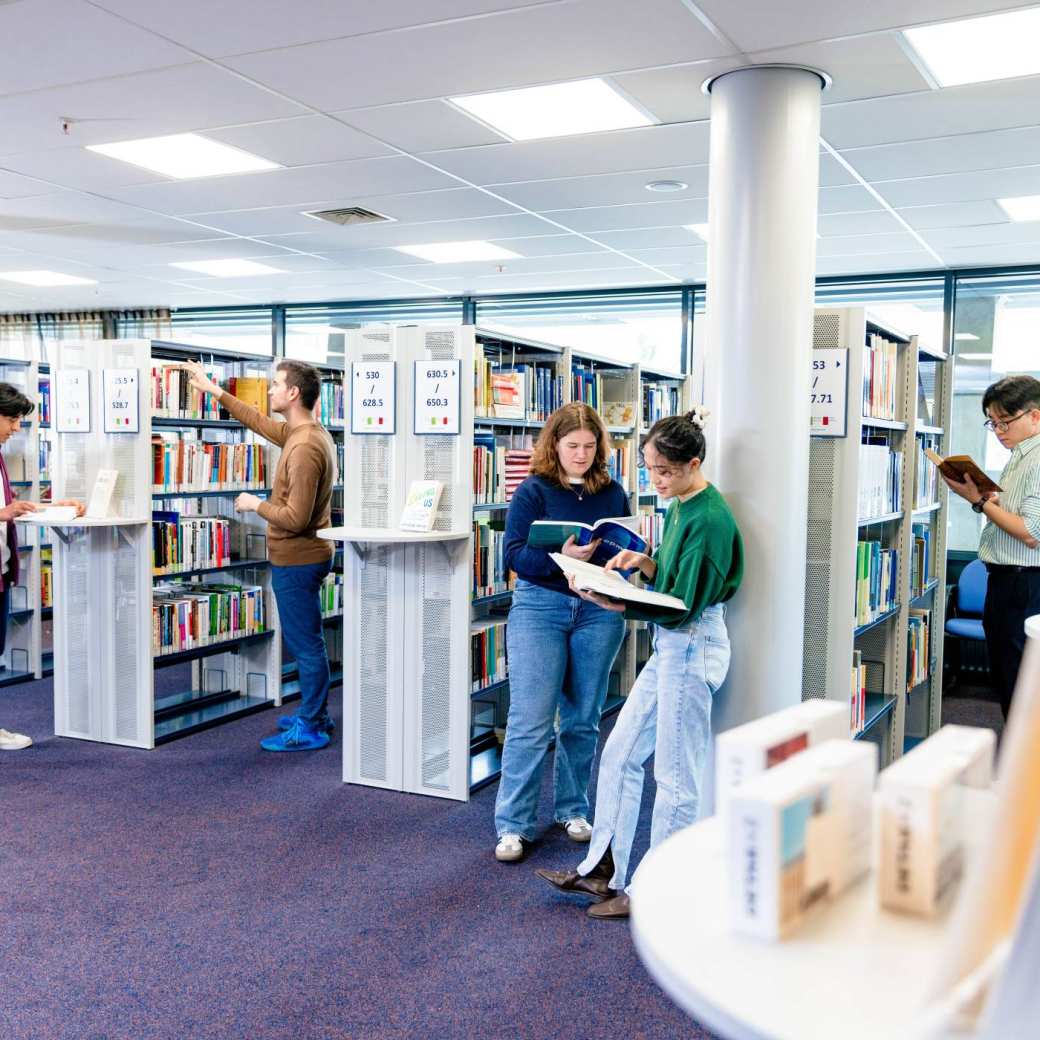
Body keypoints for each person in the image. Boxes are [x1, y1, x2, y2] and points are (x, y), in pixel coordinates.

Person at [537, 408, 742, 919]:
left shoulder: (711, 518)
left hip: (691, 645)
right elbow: (671, 579)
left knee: (675, 778)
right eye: (650, 469)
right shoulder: (679, 506)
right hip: (670, 644)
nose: (657, 480)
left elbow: (684, 605)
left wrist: (619, 602)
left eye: (666, 471)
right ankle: (604, 869)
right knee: (620, 754)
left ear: (694, 464)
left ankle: (655, 889)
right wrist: (645, 563)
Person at [494, 402, 630, 863]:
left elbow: (625, 545)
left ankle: (573, 809)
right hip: (541, 608)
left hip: (599, 608)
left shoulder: (613, 492)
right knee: (530, 720)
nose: (582, 455)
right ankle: (513, 824)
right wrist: (565, 557)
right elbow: (514, 556)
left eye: (590, 447)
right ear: (554, 445)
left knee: (583, 718)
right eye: (573, 446)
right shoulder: (533, 491)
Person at [183, 359, 337, 752]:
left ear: (293, 393)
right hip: (304, 555)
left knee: (305, 645)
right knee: (309, 641)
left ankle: (312, 725)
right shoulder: (306, 433)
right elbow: (258, 421)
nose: (269, 391)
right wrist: (213, 391)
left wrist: (256, 504)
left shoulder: (302, 447)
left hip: (298, 556)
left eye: (275, 385)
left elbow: (296, 517)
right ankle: (314, 712)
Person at [940, 374, 1040, 720]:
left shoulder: (1037, 459)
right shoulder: (1020, 456)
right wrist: (987, 497)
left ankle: (1022, 768)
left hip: (1024, 582)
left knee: (1018, 680)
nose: (998, 431)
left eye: (1005, 422)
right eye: (992, 423)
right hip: (1006, 580)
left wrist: (980, 503)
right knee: (1007, 675)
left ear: (1035, 416)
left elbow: (1030, 532)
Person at [0, 382, 84, 752]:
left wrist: (51, 506)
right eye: (11, 419)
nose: (16, 428)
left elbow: (11, 508)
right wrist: (4, 512)